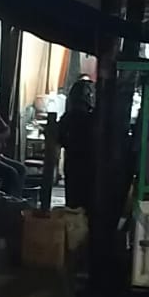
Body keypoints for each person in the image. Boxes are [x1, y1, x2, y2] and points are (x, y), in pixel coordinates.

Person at [58, 78, 96, 209]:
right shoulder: (91, 118)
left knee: (73, 200)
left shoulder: (67, 117)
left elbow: (59, 138)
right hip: (87, 163)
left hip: (73, 162)